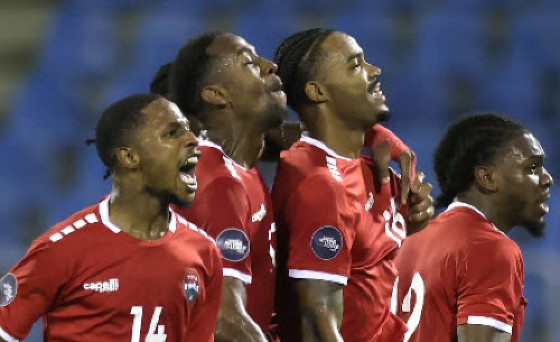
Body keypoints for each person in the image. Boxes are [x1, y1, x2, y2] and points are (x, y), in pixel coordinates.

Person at [0, 94, 223, 342]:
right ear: (129, 158)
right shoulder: (61, 249)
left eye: (190, 131)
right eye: (172, 133)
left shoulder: (205, 253)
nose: (193, 140)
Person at [271, 28, 434, 342]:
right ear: (318, 92)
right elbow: (318, 327)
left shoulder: (375, 167)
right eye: (356, 65)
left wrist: (415, 221)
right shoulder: (318, 185)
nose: (375, 71)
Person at [161, 31, 286, 341]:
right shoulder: (217, 183)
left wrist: (374, 136)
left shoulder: (236, 165)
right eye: (249, 62)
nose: (269, 65)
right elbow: (223, 321)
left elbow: (320, 140)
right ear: (217, 94)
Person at [393, 113, 553, 342]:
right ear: (486, 177)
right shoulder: (489, 247)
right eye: (532, 168)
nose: (547, 179)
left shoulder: (411, 243)